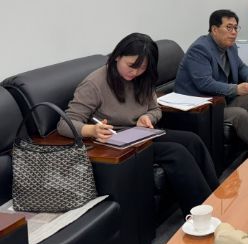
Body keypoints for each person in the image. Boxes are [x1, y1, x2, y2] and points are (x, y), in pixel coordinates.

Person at [57, 33, 219, 215]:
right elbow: (65, 123)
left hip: (140, 134)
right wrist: (92, 130)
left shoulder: (144, 78)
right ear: (117, 56)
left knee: (192, 140)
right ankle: (200, 216)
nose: (135, 73)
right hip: (116, 143)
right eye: (131, 66)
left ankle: (214, 198)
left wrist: (148, 117)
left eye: (141, 68)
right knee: (176, 152)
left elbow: (155, 109)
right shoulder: (95, 83)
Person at [175, 9, 248, 149]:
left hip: (221, 101)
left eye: (235, 28)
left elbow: (240, 66)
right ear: (214, 29)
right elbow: (205, 83)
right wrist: (235, 89)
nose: (234, 32)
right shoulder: (200, 49)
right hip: (201, 107)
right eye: (229, 28)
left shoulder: (230, 46)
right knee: (239, 114)